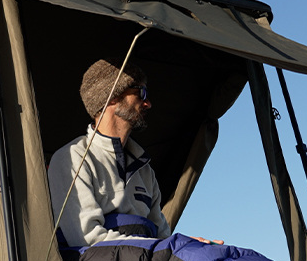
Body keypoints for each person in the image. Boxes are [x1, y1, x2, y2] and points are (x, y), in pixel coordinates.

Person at [48, 57, 221, 247]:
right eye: (141, 93)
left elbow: (162, 237)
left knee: (226, 258)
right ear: (113, 96)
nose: (148, 104)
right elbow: (87, 238)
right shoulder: (72, 158)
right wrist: (168, 250)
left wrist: (187, 245)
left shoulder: (145, 170)